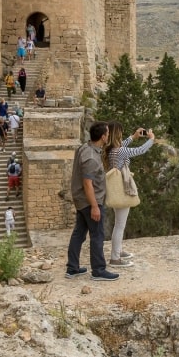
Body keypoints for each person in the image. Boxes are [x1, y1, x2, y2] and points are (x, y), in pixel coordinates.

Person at [65, 121, 119, 282]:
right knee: (97, 235)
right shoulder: (91, 158)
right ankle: (98, 270)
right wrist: (95, 206)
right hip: (90, 201)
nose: (109, 135)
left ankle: (72, 268)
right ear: (103, 136)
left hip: (81, 200)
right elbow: (87, 184)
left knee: (79, 233)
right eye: (107, 133)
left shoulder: (85, 148)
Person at [105, 123, 155, 267]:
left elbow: (122, 147)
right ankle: (115, 258)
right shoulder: (120, 151)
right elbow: (140, 150)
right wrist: (151, 139)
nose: (122, 136)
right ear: (117, 135)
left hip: (115, 188)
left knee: (118, 224)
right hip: (122, 188)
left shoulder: (110, 150)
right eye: (121, 133)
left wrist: (133, 137)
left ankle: (118, 251)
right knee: (120, 225)